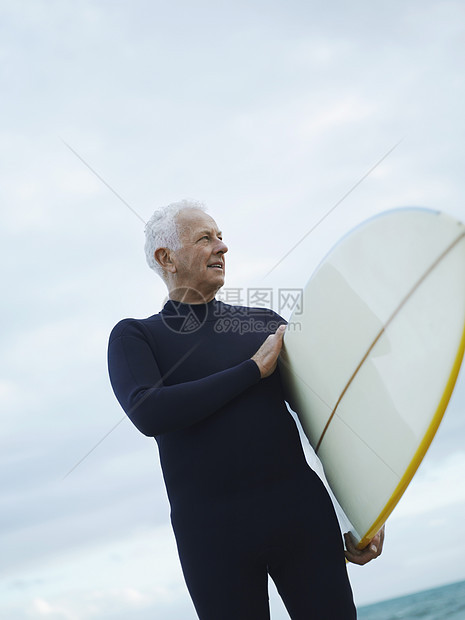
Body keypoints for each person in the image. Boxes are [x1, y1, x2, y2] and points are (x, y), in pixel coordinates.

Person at [107, 200, 384, 620]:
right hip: (213, 540)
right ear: (167, 257)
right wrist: (253, 370)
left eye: (220, 236)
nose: (223, 247)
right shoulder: (137, 337)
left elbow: (324, 421)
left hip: (302, 519)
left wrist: (366, 510)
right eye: (206, 238)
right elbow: (149, 411)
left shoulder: (263, 325)